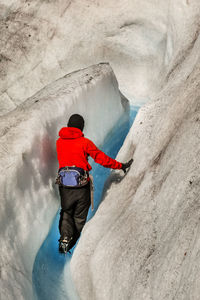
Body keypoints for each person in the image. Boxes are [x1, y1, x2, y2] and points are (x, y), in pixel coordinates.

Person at [56, 114, 133, 253]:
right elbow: (101, 158)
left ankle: (64, 238)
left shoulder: (59, 142)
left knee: (66, 212)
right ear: (81, 127)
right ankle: (71, 244)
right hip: (81, 186)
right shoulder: (84, 142)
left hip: (64, 186)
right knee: (79, 217)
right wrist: (120, 165)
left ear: (68, 125)